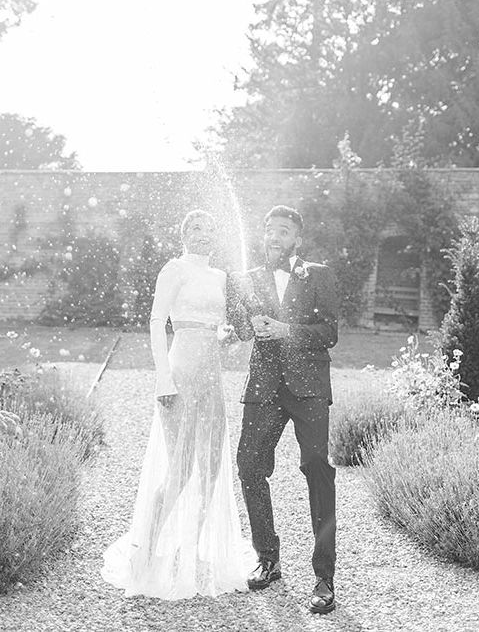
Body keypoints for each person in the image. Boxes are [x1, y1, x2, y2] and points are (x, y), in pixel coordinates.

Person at [102, 209, 255, 599]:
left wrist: (231, 336)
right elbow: (156, 322)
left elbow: (220, 327)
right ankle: (146, 550)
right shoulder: (173, 269)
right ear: (183, 233)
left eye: (209, 227)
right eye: (196, 227)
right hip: (180, 373)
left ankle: (192, 547)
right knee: (181, 468)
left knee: (212, 467)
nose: (203, 234)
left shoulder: (220, 277)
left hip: (211, 378)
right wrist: (162, 378)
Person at [228, 205, 338, 614]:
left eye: (284, 230)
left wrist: (287, 331)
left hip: (308, 386)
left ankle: (324, 577)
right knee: (249, 465)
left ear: (297, 239)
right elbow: (239, 329)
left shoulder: (318, 273)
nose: (275, 236)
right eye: (270, 229)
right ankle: (268, 558)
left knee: (316, 467)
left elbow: (330, 332)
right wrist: (242, 321)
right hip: (264, 387)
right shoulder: (247, 279)